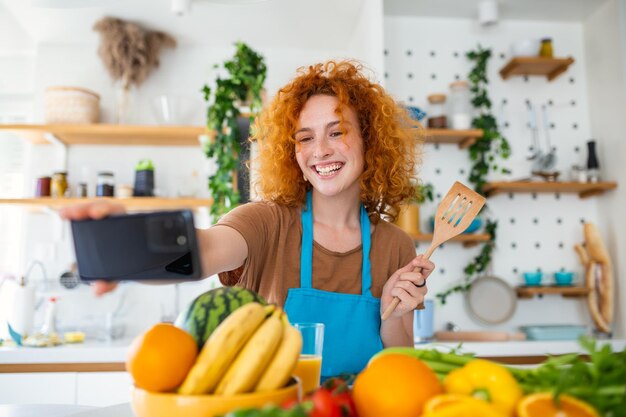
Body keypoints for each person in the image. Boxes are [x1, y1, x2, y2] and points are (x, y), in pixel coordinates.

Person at [61, 60, 434, 378]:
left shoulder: (394, 246)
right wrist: (128, 244)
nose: (320, 150)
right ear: (293, 155)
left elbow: (398, 373)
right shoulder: (266, 223)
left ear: (370, 141)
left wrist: (395, 313)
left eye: (337, 132)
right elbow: (201, 251)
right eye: (304, 138)